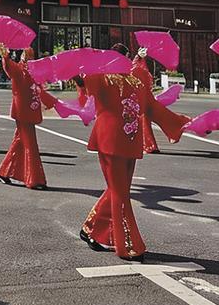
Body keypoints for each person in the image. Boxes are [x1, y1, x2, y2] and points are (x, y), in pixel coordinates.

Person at [76, 45, 190, 262]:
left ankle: (93, 230)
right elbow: (87, 89)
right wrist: (79, 72)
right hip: (111, 142)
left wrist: (181, 123)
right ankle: (128, 245)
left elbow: (152, 108)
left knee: (118, 190)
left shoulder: (135, 80)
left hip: (128, 141)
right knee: (120, 193)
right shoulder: (103, 77)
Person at [0, 44, 48, 190]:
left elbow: (40, 89)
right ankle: (34, 179)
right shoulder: (19, 69)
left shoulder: (34, 71)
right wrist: (5, 56)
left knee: (20, 142)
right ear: (23, 56)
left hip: (28, 111)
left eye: (31, 54)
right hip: (23, 112)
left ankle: (3, 172)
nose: (29, 57)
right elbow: (8, 66)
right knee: (30, 145)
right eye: (27, 54)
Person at [130, 49, 160, 155]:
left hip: (139, 99)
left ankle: (149, 145)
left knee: (143, 121)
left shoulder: (135, 67)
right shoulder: (140, 67)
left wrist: (138, 57)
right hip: (143, 98)